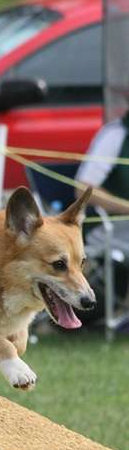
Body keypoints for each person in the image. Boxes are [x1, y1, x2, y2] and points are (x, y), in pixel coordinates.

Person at [75, 109, 129, 314]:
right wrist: (126, 207)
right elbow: (83, 189)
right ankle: (124, 316)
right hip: (107, 227)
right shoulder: (115, 135)